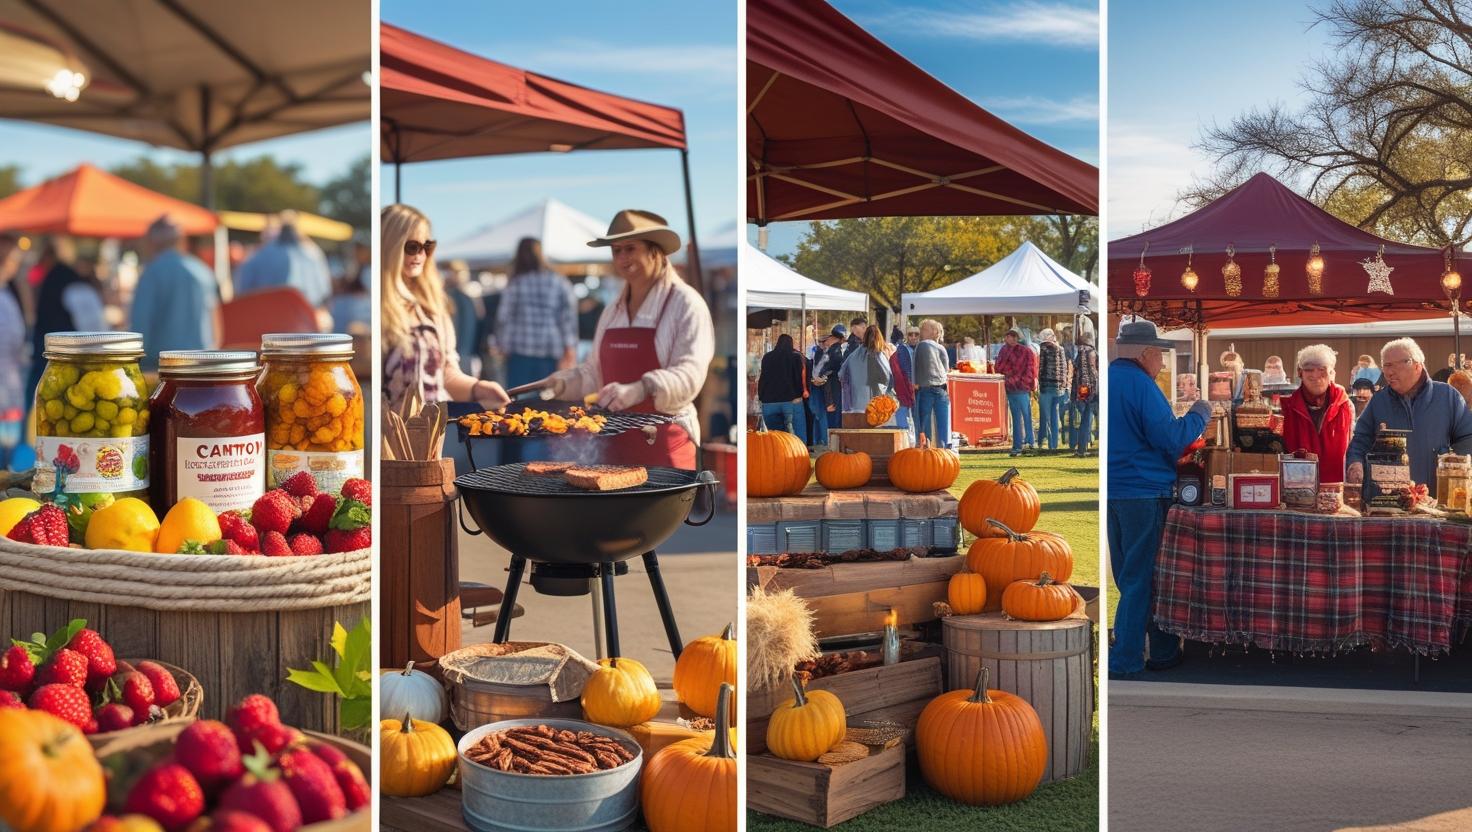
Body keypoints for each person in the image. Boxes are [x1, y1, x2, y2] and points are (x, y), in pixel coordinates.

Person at [537, 210, 714, 469]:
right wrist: (565, 383)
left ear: (656, 252)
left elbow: (691, 374)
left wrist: (641, 388)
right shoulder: (612, 310)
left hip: (664, 446)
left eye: (630, 249)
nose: (622, 258)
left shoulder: (686, 304)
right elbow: (594, 373)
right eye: (616, 250)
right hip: (613, 447)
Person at [1108, 320, 1212, 677]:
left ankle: (1161, 650)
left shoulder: (1113, 378)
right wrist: (1200, 413)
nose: (1163, 364)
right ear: (1146, 353)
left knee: (1130, 577)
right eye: (1160, 355)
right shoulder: (1139, 384)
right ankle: (1127, 659)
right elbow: (1170, 438)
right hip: (1143, 489)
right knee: (1143, 578)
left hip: (1117, 489)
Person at [381, 204, 510, 415]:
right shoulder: (379, 307)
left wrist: (477, 389)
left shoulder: (433, 305)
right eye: (411, 246)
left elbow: (446, 374)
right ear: (390, 247)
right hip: (391, 438)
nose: (421, 254)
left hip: (435, 433)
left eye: (427, 246)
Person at [1346, 337, 1472, 498]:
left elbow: (1467, 438)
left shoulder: (1447, 396)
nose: (1389, 372)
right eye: (1386, 365)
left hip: (1436, 500)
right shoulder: (1378, 401)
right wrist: (1355, 463)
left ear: (1417, 366)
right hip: (1387, 502)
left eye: (1395, 365)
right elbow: (1361, 439)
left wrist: (1455, 467)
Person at [129, 216, 220, 371]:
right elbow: (216, 325)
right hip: (202, 364)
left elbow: (140, 328)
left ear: (152, 242)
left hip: (162, 367)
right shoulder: (202, 271)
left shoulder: (151, 273)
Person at [27, 237, 106, 404]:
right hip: (61, 359)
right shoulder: (67, 279)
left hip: (56, 358)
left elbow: (92, 326)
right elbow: (95, 326)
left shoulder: (61, 279)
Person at [494, 238, 579, 389]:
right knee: (547, 404)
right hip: (550, 351)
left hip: (519, 353)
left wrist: (502, 345)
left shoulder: (515, 283)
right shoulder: (559, 282)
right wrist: (569, 348)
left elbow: (504, 318)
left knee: (518, 403)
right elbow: (567, 319)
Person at [1279, 344, 1353, 485]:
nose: (1315, 375)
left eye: (1322, 369)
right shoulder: (1286, 407)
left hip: (1336, 489)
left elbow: (1353, 445)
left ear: (1332, 372)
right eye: (1309, 370)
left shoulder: (1345, 405)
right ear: (1300, 373)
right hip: (1298, 487)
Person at [234, 213, 333, 306]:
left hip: (268, 314)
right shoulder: (313, 253)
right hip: (303, 315)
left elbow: (243, 289)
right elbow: (324, 290)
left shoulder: (260, 254)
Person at [996, 327, 1037, 457]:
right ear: (1006, 338)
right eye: (1009, 336)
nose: (1012, 339)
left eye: (1014, 337)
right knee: (1016, 418)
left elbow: (1031, 369)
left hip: (1021, 388)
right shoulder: (1003, 351)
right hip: (1010, 388)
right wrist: (1011, 378)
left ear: (1017, 338)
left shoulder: (1026, 351)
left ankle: (1029, 443)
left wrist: (1024, 382)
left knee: (1026, 416)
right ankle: (1017, 445)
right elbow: (998, 367)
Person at [759, 334, 807, 444]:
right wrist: (799, 394)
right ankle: (799, 456)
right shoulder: (795, 357)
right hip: (790, 401)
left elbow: (764, 377)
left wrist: (761, 396)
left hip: (769, 402)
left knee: (775, 437)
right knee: (797, 437)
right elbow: (798, 378)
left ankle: (777, 457)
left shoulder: (767, 357)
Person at [912, 319, 951, 447]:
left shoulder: (923, 345)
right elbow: (945, 368)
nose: (921, 331)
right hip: (940, 388)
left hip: (926, 387)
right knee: (942, 421)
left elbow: (915, 365)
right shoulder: (940, 348)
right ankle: (944, 447)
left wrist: (915, 381)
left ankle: (926, 446)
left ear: (934, 332)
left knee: (924, 420)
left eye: (924, 329)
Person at [839, 325, 894, 415]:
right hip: (875, 406)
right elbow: (888, 378)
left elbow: (841, 374)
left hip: (855, 406)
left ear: (865, 337)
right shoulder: (879, 356)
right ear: (879, 337)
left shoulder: (853, 355)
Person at [1037, 328, 1069, 452]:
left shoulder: (1045, 349)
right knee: (1055, 416)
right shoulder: (1061, 349)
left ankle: (1049, 444)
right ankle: (1055, 443)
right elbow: (1064, 368)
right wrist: (1063, 385)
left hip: (1047, 386)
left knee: (1047, 416)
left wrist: (1040, 384)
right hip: (1059, 388)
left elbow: (1041, 368)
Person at [806, 331, 838, 447]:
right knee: (819, 416)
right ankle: (821, 440)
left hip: (821, 388)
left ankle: (821, 440)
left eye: (824, 341)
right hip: (819, 388)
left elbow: (819, 373)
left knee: (820, 416)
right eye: (821, 341)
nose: (823, 343)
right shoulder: (820, 353)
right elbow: (818, 373)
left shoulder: (825, 353)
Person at [1071, 329, 1099, 456]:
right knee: (1088, 418)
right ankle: (1083, 448)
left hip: (1083, 389)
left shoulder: (1080, 352)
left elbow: (1079, 373)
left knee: (1085, 419)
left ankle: (1082, 448)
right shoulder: (1089, 352)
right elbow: (1090, 373)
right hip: (1090, 389)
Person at [817, 324, 850, 429]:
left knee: (834, 422)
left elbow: (822, 374)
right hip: (836, 390)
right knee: (836, 422)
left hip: (833, 390)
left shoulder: (832, 351)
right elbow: (826, 374)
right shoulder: (836, 352)